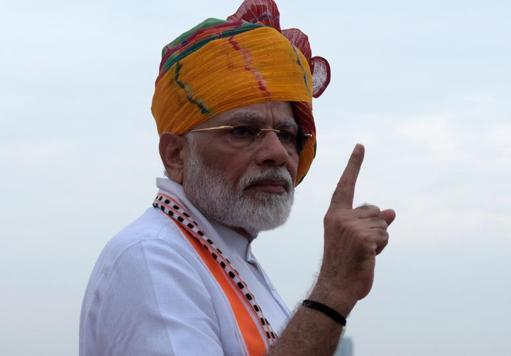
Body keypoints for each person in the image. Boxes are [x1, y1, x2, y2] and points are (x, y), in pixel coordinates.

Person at [79, 1, 395, 355]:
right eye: (244, 131)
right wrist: (333, 290)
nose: (277, 153)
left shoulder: (226, 255)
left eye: (289, 135)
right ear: (176, 155)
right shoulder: (151, 258)